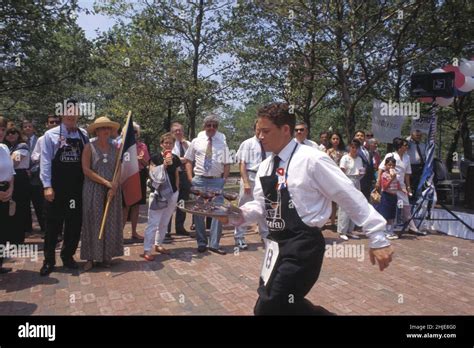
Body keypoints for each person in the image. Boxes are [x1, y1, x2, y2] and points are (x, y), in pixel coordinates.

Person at [219, 102, 393, 315]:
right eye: (258, 132)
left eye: (266, 131)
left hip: (304, 246)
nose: (260, 137)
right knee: (276, 306)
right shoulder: (266, 166)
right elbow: (263, 206)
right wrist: (237, 215)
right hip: (275, 246)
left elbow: (348, 195)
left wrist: (377, 236)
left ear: (285, 130)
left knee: (270, 306)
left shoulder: (312, 159)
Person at [39, 99, 89, 276]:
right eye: (68, 111)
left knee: (74, 224)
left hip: (76, 189)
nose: (71, 114)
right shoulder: (50, 135)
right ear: (62, 113)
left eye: (74, 111)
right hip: (56, 188)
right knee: (53, 225)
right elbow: (45, 162)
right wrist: (47, 186)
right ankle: (49, 261)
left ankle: (68, 256)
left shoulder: (83, 135)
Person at [184, 115, 233, 255]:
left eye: (214, 125)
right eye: (209, 125)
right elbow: (188, 160)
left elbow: (227, 163)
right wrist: (190, 178)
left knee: (218, 212)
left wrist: (223, 179)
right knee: (199, 212)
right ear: (204, 126)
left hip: (216, 181)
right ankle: (201, 243)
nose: (211, 128)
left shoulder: (222, 143)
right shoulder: (196, 141)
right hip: (199, 180)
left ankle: (215, 244)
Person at [80, 117, 123, 271]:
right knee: (93, 222)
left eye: (108, 128)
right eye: (102, 128)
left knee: (110, 222)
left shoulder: (116, 148)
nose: (105, 131)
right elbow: (86, 170)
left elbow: (119, 168)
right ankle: (91, 257)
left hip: (112, 190)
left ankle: (106, 256)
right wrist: (106, 183)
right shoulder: (89, 147)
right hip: (94, 190)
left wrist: (115, 185)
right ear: (96, 131)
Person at [142, 133, 181, 261]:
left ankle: (158, 244)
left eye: (171, 143)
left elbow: (176, 174)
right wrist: (163, 165)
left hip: (172, 193)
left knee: (165, 221)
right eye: (166, 143)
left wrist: (176, 190)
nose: (168, 145)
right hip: (158, 194)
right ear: (161, 144)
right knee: (153, 222)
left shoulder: (175, 158)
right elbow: (152, 173)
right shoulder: (155, 157)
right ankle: (147, 249)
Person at [377, 137, 425, 237]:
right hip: (389, 186)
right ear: (399, 147)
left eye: (407, 145)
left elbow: (407, 174)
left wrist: (408, 187)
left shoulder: (407, 157)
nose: (407, 147)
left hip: (400, 186)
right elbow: (381, 168)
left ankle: (412, 228)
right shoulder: (390, 155)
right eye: (405, 145)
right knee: (388, 209)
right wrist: (378, 181)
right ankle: (385, 230)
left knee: (406, 207)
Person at [234, 121, 270, 250]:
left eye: (263, 129)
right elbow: (242, 164)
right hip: (250, 177)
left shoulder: (269, 143)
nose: (260, 132)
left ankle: (265, 235)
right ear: (254, 129)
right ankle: (239, 237)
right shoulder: (248, 143)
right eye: (258, 129)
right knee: (244, 209)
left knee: (265, 208)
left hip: (265, 179)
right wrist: (246, 182)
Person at [31, 115, 61, 237]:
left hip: (59, 175)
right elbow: (34, 156)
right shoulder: (41, 139)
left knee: (59, 203)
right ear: (46, 124)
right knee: (45, 205)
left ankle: (59, 232)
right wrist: (43, 157)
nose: (53, 123)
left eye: (56, 122)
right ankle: (47, 231)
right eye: (51, 122)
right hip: (44, 176)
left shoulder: (64, 138)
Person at [122, 122, 149, 241]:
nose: (132, 133)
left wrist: (141, 159)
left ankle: (134, 232)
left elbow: (147, 164)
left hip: (139, 175)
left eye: (134, 131)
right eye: (130, 131)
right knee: (125, 205)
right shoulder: (120, 145)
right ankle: (120, 234)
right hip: (126, 176)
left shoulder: (142, 146)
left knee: (136, 205)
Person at [4, 127, 30, 241]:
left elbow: (14, 162)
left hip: (20, 178)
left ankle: (18, 238)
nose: (10, 135)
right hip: (11, 177)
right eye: (8, 133)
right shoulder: (7, 147)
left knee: (19, 207)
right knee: (10, 208)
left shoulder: (22, 147)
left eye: (13, 132)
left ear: (18, 134)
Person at [337, 139, 365, 241]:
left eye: (356, 148)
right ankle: (342, 231)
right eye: (353, 147)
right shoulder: (345, 158)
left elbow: (360, 171)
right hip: (346, 181)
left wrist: (361, 175)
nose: (354, 149)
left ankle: (350, 230)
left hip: (356, 181)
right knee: (345, 207)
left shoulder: (359, 159)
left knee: (354, 206)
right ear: (350, 147)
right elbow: (341, 172)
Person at [167, 122, 191, 238]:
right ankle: (166, 230)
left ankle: (180, 227)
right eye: (175, 130)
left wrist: (184, 158)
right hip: (173, 176)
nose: (178, 132)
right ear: (172, 132)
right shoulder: (169, 144)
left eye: (180, 130)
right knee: (170, 202)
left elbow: (193, 157)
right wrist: (183, 159)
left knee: (183, 203)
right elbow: (173, 159)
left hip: (185, 176)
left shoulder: (188, 144)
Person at [22, 119, 44, 233]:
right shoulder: (20, 141)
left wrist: (32, 171)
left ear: (34, 128)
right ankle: (27, 229)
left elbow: (41, 159)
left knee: (39, 205)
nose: (27, 128)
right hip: (24, 178)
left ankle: (44, 229)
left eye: (29, 126)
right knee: (25, 205)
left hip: (36, 178)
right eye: (25, 127)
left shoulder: (40, 140)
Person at [0, 117, 16, 274]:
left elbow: (11, 171)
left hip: (6, 191)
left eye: (3, 129)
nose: (1, 132)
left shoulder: (4, 147)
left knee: (3, 231)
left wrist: (11, 188)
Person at [377, 157, 403, 240]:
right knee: (385, 214)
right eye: (389, 165)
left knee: (392, 215)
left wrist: (403, 190)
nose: (391, 167)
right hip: (386, 195)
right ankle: (384, 231)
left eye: (393, 165)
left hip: (393, 195)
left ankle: (390, 230)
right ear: (385, 165)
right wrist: (391, 178)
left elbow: (398, 184)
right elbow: (384, 187)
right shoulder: (384, 175)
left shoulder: (396, 174)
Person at [326, 132, 346, 227]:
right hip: (329, 176)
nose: (335, 140)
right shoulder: (328, 151)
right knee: (327, 200)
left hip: (339, 177)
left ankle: (333, 221)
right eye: (333, 139)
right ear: (330, 140)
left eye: (337, 139)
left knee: (335, 201)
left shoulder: (343, 152)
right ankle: (325, 221)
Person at [406, 129, 426, 204]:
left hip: (420, 166)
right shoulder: (408, 144)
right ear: (412, 135)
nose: (419, 137)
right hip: (410, 166)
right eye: (417, 135)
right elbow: (405, 142)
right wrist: (409, 138)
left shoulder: (423, 145)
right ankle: (408, 198)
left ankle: (415, 198)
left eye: (420, 136)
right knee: (409, 183)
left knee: (417, 183)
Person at [354, 130, 374, 200]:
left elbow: (370, 166)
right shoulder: (352, 149)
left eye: (362, 136)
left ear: (365, 138)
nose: (360, 137)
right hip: (358, 181)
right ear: (354, 137)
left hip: (367, 182)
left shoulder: (367, 150)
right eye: (358, 135)